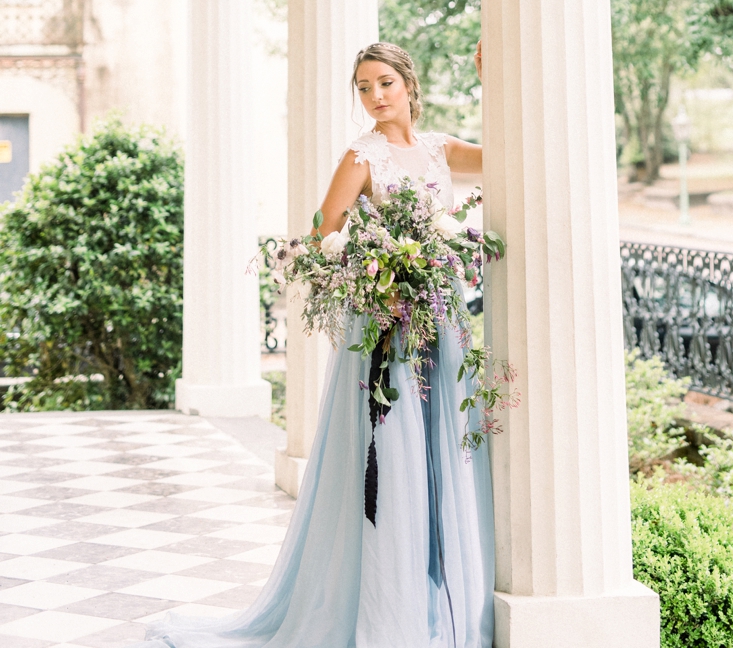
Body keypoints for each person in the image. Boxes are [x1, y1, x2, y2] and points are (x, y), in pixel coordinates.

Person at [147, 41, 493, 648]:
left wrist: (493, 81)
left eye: (383, 83)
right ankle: (389, 609)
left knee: (444, 449)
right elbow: (322, 236)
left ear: (409, 84)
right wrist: (376, 274)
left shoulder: (441, 149)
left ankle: (440, 593)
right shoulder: (361, 156)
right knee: (395, 454)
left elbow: (502, 157)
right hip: (386, 319)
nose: (374, 96)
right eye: (362, 87)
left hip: (440, 319)